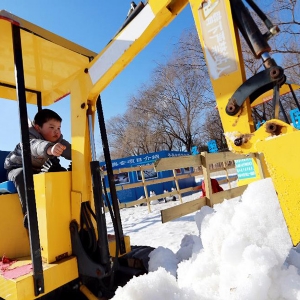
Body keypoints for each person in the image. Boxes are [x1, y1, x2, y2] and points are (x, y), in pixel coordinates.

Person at [4, 109, 71, 228]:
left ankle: (64, 210)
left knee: (59, 171)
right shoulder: (28, 138)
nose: (57, 132)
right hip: (17, 168)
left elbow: (72, 151)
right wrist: (49, 149)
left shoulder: (58, 140)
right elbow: (35, 146)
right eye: (51, 127)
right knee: (23, 174)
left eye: (59, 128)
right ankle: (29, 213)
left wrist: (82, 158)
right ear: (38, 128)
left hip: (38, 170)